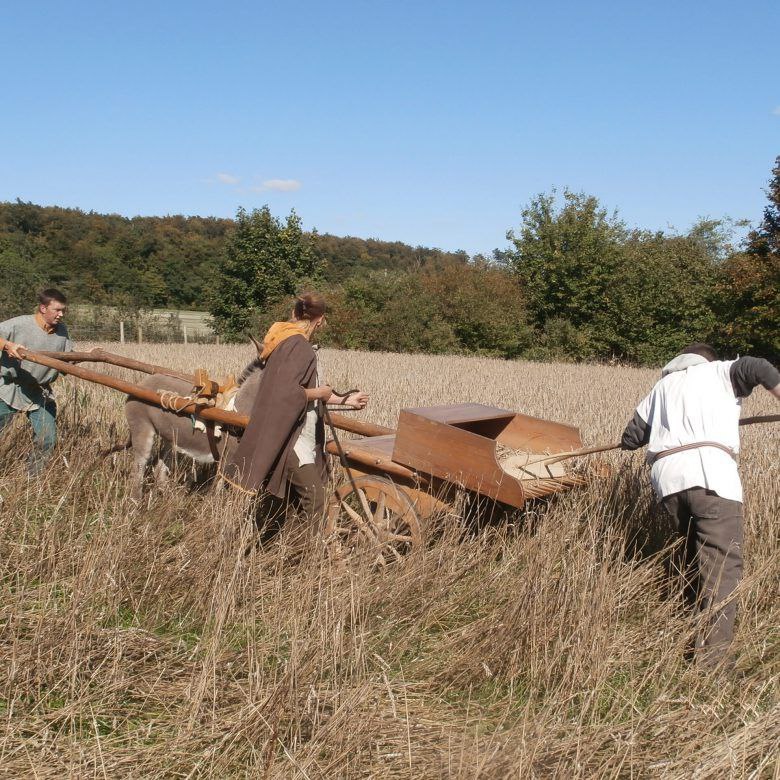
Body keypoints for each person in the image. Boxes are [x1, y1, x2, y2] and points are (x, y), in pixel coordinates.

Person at [620, 343, 780, 668]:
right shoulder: (718, 371)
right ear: (708, 360)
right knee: (722, 571)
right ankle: (712, 665)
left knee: (693, 557)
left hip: (668, 485)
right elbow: (759, 367)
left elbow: (631, 437)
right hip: (711, 478)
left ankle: (693, 633)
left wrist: (649, 433)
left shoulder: (662, 386)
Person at [220, 292, 368, 537]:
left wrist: (345, 399)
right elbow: (287, 393)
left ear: (294, 314)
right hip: (291, 439)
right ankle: (308, 561)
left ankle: (263, 550)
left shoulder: (286, 342)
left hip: (291, 434)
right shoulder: (299, 347)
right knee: (316, 500)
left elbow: (298, 389)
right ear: (320, 320)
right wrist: (320, 392)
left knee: (281, 506)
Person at [0, 288, 74, 474]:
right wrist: (8, 345)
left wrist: (88, 356)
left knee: (47, 439)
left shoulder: (62, 331)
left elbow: (67, 359)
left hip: (39, 393)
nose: (61, 314)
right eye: (57, 310)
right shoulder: (19, 324)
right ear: (43, 308)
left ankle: (31, 479)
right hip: (9, 389)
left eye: (63, 310)